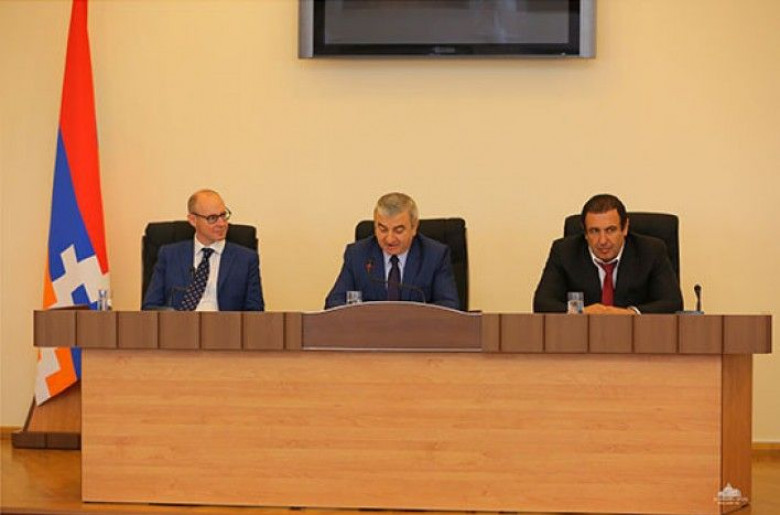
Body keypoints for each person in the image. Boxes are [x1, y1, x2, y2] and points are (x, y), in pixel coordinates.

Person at [533, 194, 682, 314]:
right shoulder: (564, 252)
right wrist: (580, 312)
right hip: (581, 338)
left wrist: (630, 314)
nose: (603, 240)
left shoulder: (651, 251)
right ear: (585, 232)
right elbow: (542, 303)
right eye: (594, 231)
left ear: (625, 228)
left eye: (610, 230)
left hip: (639, 338)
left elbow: (672, 303)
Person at [324, 192, 460, 310]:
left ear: (414, 228)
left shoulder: (435, 255)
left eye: (398, 230)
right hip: (370, 331)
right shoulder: (357, 254)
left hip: (418, 331)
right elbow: (334, 303)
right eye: (382, 229)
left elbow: (449, 306)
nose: (389, 239)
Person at [142, 189, 264, 311]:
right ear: (193, 220)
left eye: (223, 215)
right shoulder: (169, 255)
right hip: (179, 322)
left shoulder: (246, 260)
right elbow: (150, 307)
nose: (222, 224)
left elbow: (255, 313)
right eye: (212, 218)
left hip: (225, 322)